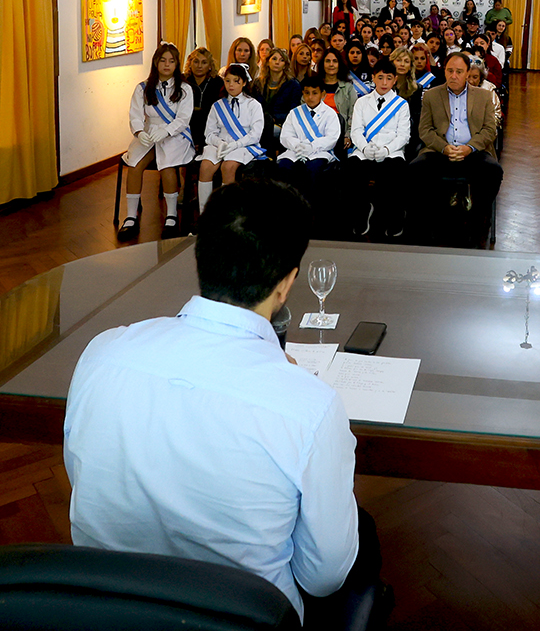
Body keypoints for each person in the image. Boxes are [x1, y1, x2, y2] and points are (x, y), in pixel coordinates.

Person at [64, 180, 385, 627]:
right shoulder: (310, 406)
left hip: (108, 611)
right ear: (286, 283)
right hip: (245, 619)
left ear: (201, 257)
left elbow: (82, 480)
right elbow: (323, 578)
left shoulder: (103, 353)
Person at [410, 52, 503, 245]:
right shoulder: (431, 95)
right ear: (444, 71)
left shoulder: (484, 96)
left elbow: (489, 130)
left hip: (473, 153)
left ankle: (477, 220)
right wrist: (444, 148)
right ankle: (431, 224)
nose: (453, 76)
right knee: (416, 169)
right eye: (450, 71)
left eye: (459, 72)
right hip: (440, 151)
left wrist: (470, 147)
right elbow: (425, 130)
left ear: (468, 73)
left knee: (493, 171)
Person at [120, 43, 195, 240]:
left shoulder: (185, 89)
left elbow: (183, 119)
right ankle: (131, 217)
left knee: (167, 166)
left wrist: (166, 131)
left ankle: (171, 216)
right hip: (149, 132)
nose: (167, 65)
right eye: (163, 60)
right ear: (155, 62)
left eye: (171, 61)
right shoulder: (143, 88)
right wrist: (139, 132)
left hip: (176, 134)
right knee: (134, 165)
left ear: (177, 64)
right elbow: (135, 115)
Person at [346, 58, 411, 239]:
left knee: (393, 173)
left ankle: (393, 218)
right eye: (380, 77)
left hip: (391, 151)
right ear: (373, 78)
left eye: (389, 78)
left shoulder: (401, 105)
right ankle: (361, 213)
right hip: (364, 151)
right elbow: (356, 130)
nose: (384, 83)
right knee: (352, 170)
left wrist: (386, 150)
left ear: (395, 80)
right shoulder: (361, 102)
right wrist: (365, 148)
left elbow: (403, 135)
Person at [197, 64, 268, 209]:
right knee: (206, 167)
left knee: (228, 167)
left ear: (244, 82)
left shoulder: (253, 105)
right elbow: (209, 133)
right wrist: (220, 143)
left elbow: (255, 134)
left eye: (236, 81)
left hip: (244, 145)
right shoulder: (217, 106)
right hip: (219, 145)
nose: (231, 85)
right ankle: (204, 211)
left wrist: (235, 145)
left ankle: (226, 212)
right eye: (227, 81)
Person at [276, 75, 342, 201]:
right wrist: (298, 145)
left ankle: (310, 204)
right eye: (307, 93)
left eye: (314, 93)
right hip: (296, 151)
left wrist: (312, 146)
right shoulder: (295, 113)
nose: (310, 97)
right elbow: (285, 136)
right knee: (284, 167)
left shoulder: (330, 114)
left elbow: (332, 138)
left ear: (323, 94)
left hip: (319, 152)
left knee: (313, 169)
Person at [251, 47, 302, 151]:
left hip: (282, 124)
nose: (277, 62)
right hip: (260, 122)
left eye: (281, 60)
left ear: (285, 65)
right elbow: (253, 107)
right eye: (274, 59)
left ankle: (268, 155)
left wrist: (274, 118)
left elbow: (294, 111)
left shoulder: (293, 84)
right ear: (268, 62)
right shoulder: (258, 84)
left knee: (268, 128)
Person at [185, 46, 225, 152]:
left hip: (209, 126)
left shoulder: (218, 83)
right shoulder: (183, 81)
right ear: (190, 63)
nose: (199, 66)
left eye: (204, 62)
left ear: (210, 66)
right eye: (196, 62)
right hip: (186, 125)